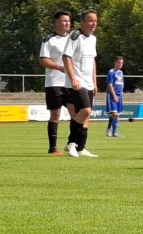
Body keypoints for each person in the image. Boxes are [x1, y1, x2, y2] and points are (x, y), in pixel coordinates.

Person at [63, 10, 99, 158]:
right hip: (77, 82)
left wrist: (95, 82)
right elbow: (66, 57)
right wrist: (73, 79)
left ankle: (81, 147)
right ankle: (71, 143)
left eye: (95, 21)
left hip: (89, 82)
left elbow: (92, 61)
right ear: (82, 22)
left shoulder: (93, 39)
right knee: (86, 110)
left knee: (86, 116)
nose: (94, 23)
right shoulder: (74, 36)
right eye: (90, 20)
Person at [39, 11, 75, 155]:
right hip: (54, 82)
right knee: (56, 114)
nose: (67, 23)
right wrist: (59, 67)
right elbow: (43, 59)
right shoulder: (49, 39)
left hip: (71, 82)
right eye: (64, 20)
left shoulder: (74, 38)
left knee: (76, 113)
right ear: (56, 23)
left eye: (68, 21)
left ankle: (73, 144)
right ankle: (53, 147)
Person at [106, 56, 124, 138]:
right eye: (119, 62)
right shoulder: (111, 72)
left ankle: (115, 132)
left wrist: (121, 93)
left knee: (117, 114)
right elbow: (109, 85)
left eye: (122, 63)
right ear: (115, 62)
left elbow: (121, 83)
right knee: (114, 113)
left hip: (120, 95)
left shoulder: (121, 72)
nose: (120, 64)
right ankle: (109, 128)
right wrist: (114, 95)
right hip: (112, 94)